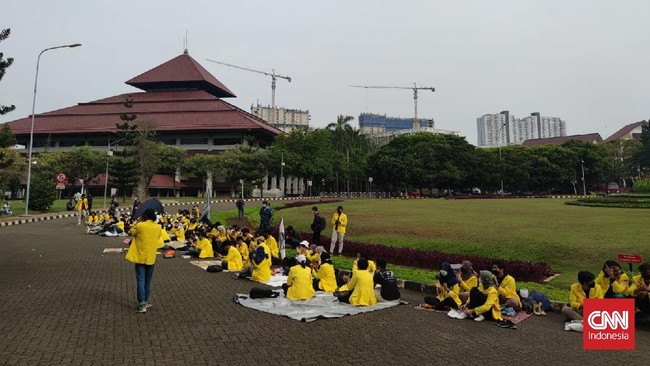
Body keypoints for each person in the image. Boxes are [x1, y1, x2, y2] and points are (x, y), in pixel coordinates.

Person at [125, 209, 163, 313]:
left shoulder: (140, 225)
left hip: (140, 256)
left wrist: (137, 222)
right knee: (148, 280)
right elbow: (158, 238)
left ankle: (142, 303)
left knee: (140, 280)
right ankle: (145, 301)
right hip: (151, 257)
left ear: (144, 216)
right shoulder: (158, 227)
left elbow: (130, 232)